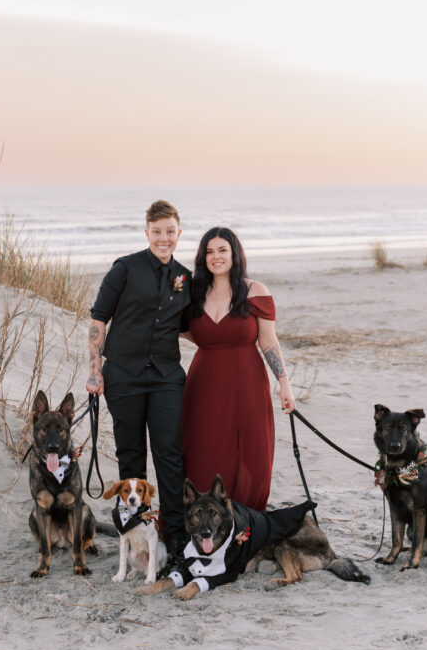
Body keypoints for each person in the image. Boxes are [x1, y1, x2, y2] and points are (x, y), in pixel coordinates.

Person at [86, 200, 192, 567]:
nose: (164, 238)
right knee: (131, 455)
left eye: (170, 232)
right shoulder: (124, 269)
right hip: (124, 376)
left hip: (165, 377)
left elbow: (188, 326)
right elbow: (99, 319)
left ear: (179, 234)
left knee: (169, 455)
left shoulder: (184, 277)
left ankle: (175, 538)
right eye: (157, 231)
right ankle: (136, 537)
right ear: (147, 232)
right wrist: (94, 369)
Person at [180, 227, 296, 511]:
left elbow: (268, 341)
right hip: (203, 383)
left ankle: (246, 520)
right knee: (201, 449)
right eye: (209, 251)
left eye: (222, 250)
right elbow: (184, 331)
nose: (215, 257)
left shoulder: (255, 291)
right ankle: (203, 516)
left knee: (250, 452)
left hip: (248, 382)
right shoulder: (193, 292)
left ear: (234, 254)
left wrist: (284, 383)